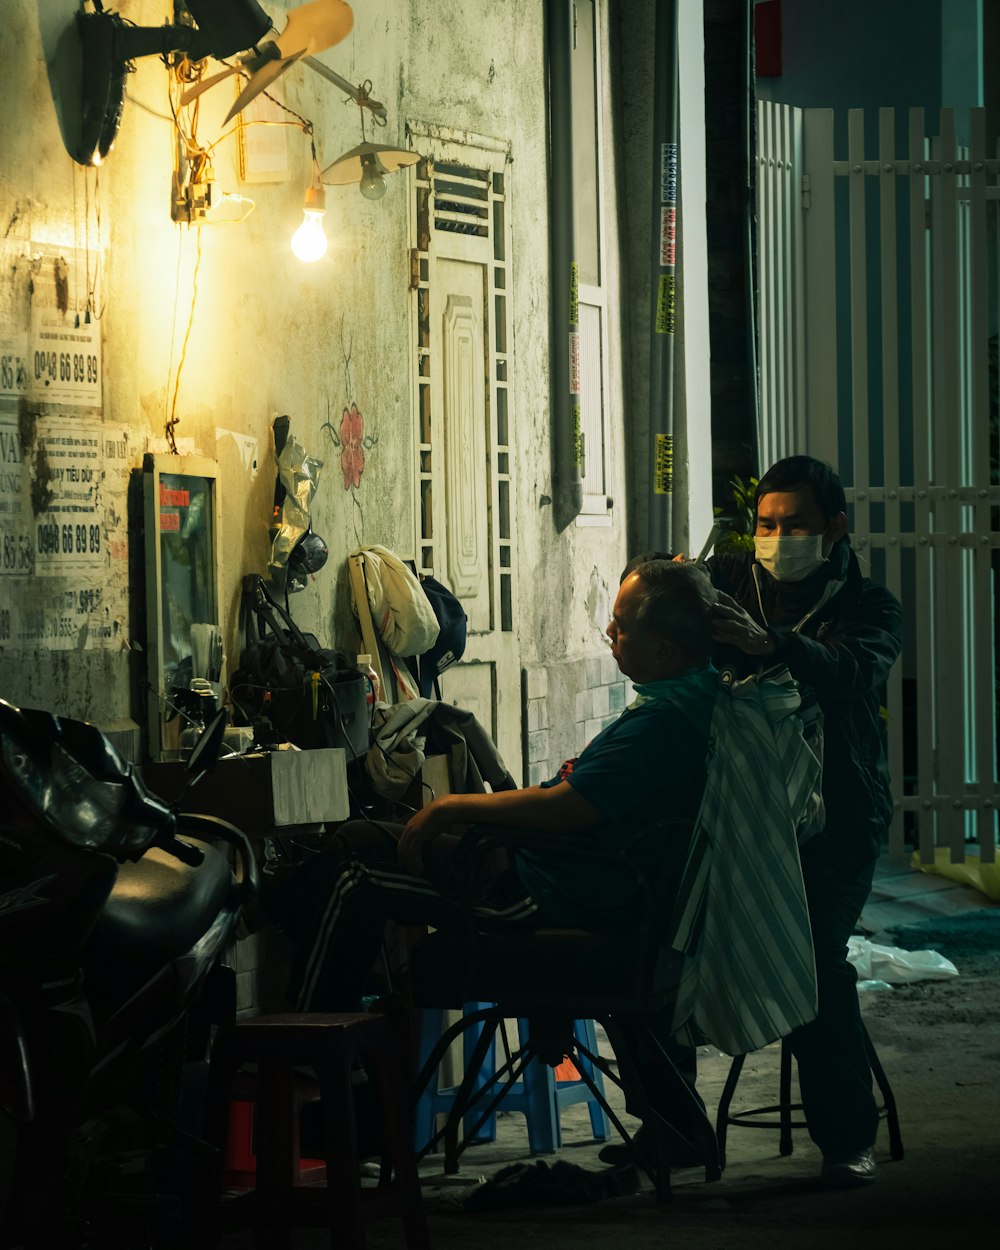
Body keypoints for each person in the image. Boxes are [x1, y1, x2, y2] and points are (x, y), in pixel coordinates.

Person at [267, 563, 720, 1161]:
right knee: (353, 847)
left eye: (621, 624)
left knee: (351, 871)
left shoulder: (664, 724)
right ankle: (342, 1068)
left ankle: (311, 1064)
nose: (609, 632)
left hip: (550, 889)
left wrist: (457, 810)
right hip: (575, 880)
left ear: (664, 647)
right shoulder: (692, 700)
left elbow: (568, 807)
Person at [706, 454, 903, 1187]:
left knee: (817, 962)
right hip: (742, 812)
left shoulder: (870, 606)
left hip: (840, 821)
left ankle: (848, 1138)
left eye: (795, 525)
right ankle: (669, 1135)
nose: (777, 537)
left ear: (835, 530)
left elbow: (852, 672)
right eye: (766, 524)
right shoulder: (727, 584)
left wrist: (773, 646)